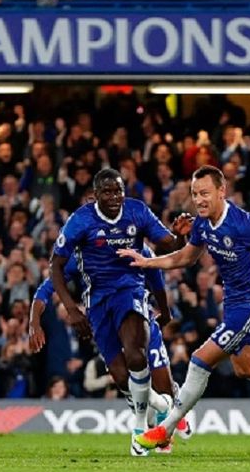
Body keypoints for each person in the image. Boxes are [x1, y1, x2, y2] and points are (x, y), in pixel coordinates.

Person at [118, 165, 250, 451]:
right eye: (195, 194)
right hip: (233, 305)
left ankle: (165, 428)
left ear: (222, 191)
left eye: (205, 193)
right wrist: (147, 262)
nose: (199, 200)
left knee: (199, 359)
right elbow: (185, 257)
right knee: (246, 367)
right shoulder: (204, 225)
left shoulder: (245, 224)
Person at [44, 167, 192, 456]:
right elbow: (55, 267)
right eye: (108, 192)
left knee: (136, 352)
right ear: (95, 195)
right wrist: (72, 310)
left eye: (118, 191)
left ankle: (139, 427)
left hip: (131, 291)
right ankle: (163, 406)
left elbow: (170, 248)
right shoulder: (80, 221)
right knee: (123, 378)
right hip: (97, 302)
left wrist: (181, 236)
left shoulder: (137, 212)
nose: (114, 197)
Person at [29, 247, 192, 454]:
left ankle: (162, 419)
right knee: (126, 382)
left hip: (140, 319)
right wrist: (34, 320)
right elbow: (47, 287)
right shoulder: (83, 254)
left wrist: (165, 311)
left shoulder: (138, 246)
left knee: (162, 384)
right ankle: (160, 409)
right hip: (105, 323)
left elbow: (156, 275)